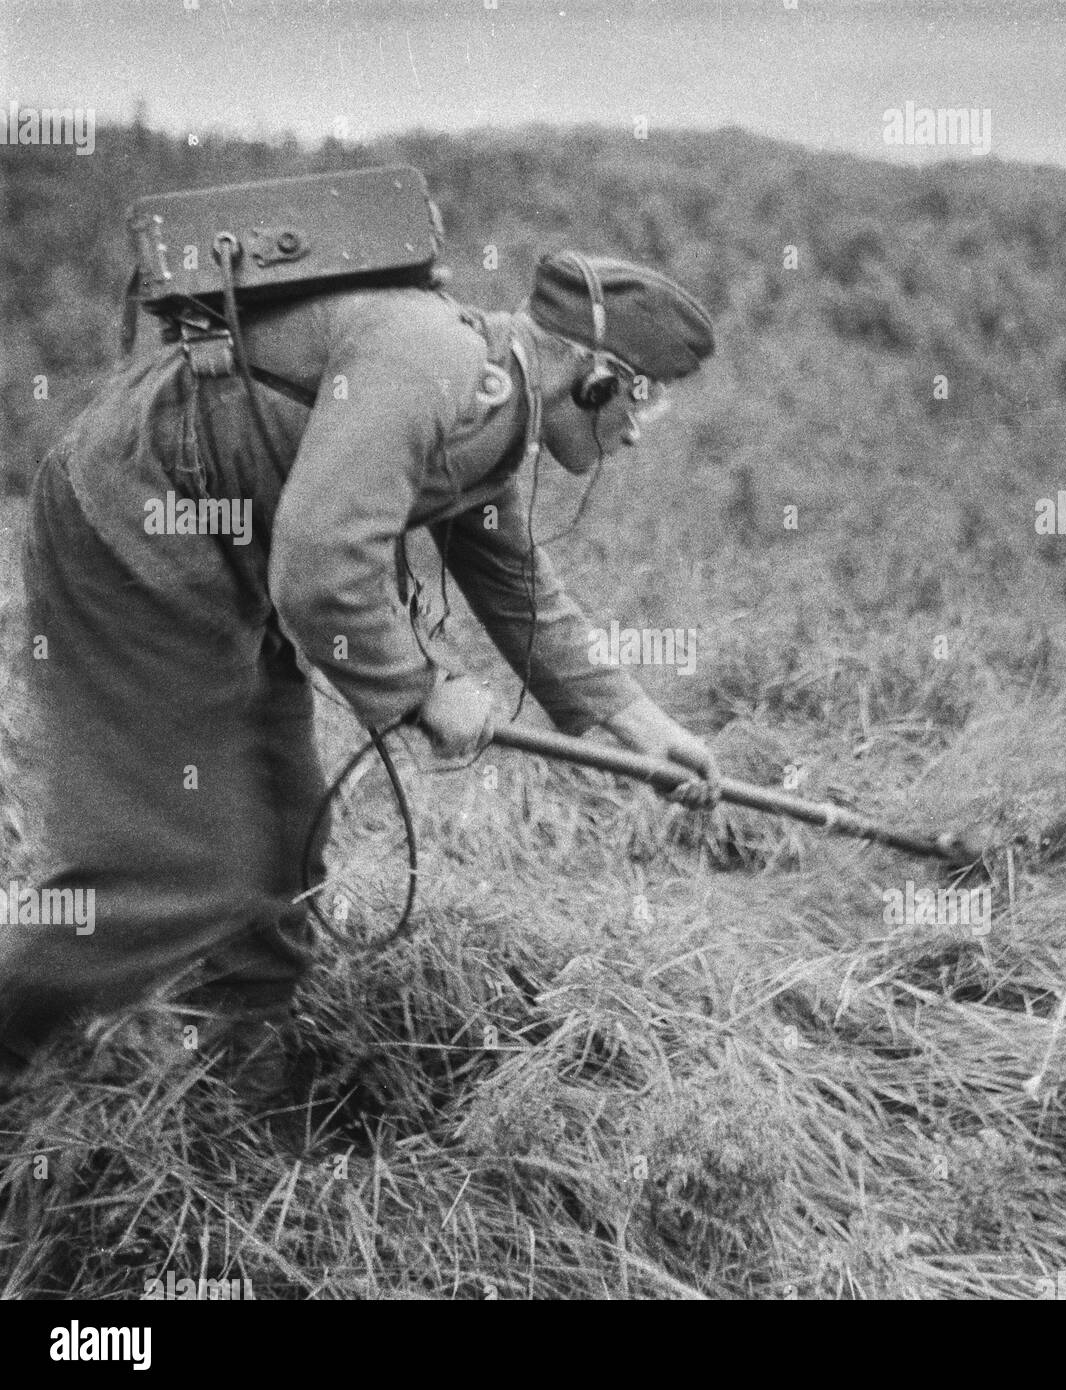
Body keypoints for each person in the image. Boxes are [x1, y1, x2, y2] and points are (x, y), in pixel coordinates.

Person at [0, 247, 719, 1100]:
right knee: (186, 867)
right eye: (642, 400)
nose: (636, 430)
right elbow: (318, 569)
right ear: (596, 376)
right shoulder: (433, 365)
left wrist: (640, 722)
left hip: (215, 561)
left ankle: (242, 1091)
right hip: (128, 537)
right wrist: (420, 688)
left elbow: (510, 572)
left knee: (286, 825)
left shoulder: (492, 397)